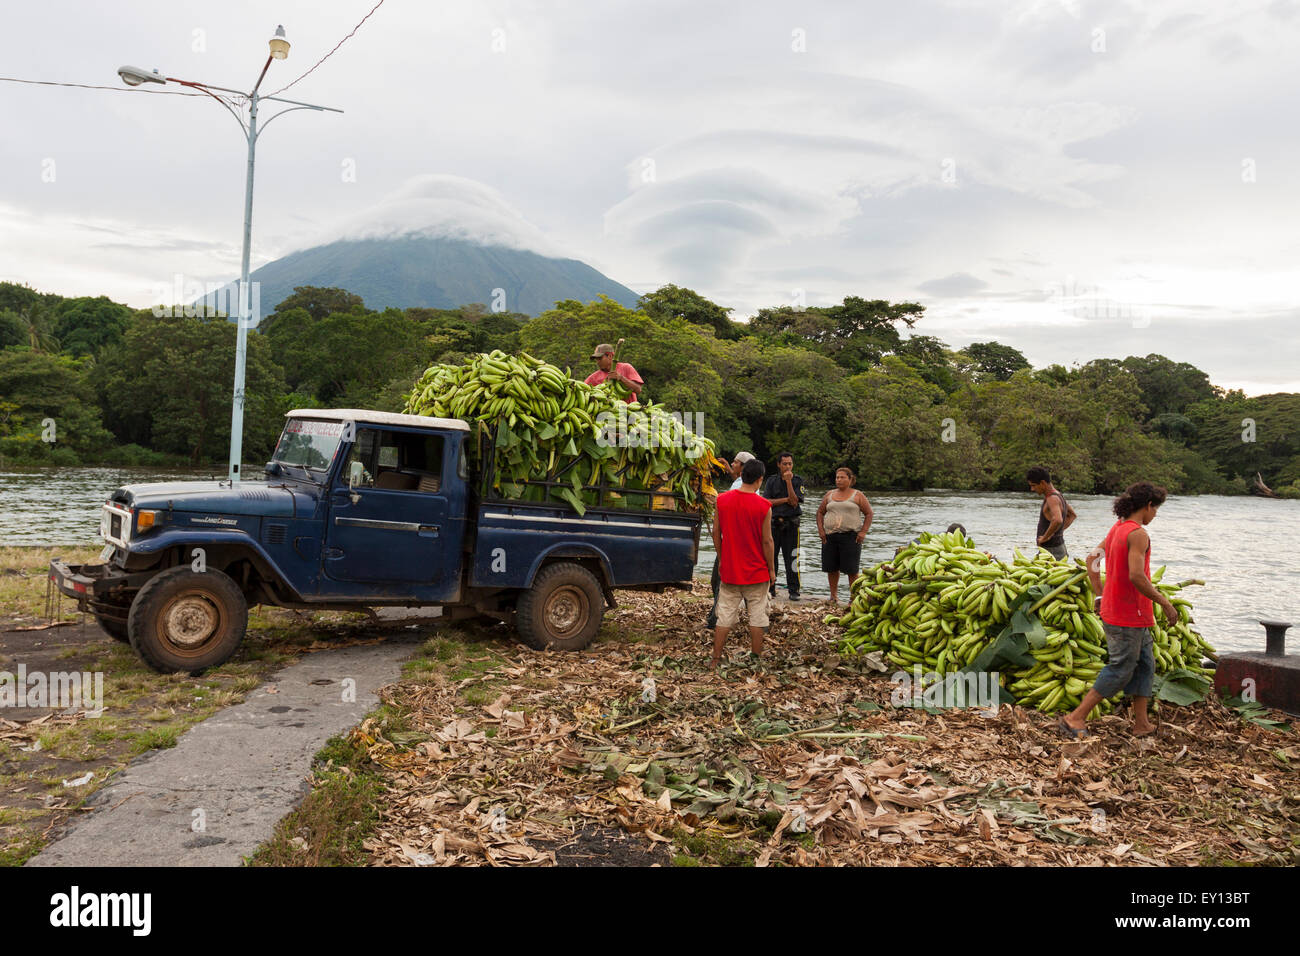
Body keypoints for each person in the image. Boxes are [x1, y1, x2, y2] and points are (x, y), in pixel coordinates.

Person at [1058, 482, 1177, 739]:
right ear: (1147, 506)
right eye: (1155, 510)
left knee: (1145, 665)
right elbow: (1137, 576)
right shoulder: (1137, 534)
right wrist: (1164, 602)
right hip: (1127, 615)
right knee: (1121, 667)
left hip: (1126, 613)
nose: (1155, 515)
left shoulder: (1117, 529)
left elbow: (1092, 560)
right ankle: (1075, 717)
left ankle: (1141, 723)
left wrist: (1099, 592)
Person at [711, 458, 776, 672]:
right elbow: (767, 541)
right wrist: (772, 569)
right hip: (757, 571)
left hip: (730, 569)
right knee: (757, 616)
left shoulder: (722, 500)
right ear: (759, 480)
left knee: (725, 615)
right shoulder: (764, 506)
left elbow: (716, 533)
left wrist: (722, 559)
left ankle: (716, 658)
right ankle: (756, 658)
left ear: (741, 476)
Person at [705, 452, 756, 630]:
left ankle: (716, 620)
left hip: (733, 541)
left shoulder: (741, 487)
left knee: (721, 580)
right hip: (736, 540)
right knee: (719, 580)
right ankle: (755, 623)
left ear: (743, 467)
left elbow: (728, 508)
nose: (733, 465)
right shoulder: (742, 483)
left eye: (735, 462)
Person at [816, 467, 873, 605]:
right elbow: (820, 512)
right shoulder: (829, 494)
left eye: (842, 477)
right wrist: (821, 530)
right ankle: (833, 596)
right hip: (830, 536)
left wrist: (863, 532)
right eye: (837, 477)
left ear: (850, 479)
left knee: (851, 569)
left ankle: (853, 598)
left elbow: (869, 513)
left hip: (851, 536)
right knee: (831, 568)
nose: (839, 480)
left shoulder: (857, 495)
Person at [761, 452, 805, 601]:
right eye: (785, 464)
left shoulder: (798, 480)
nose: (787, 467)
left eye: (790, 464)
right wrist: (785, 499)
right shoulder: (771, 481)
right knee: (771, 557)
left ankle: (794, 590)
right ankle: (771, 588)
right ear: (779, 464)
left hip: (791, 524)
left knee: (792, 557)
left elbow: (794, 502)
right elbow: (767, 502)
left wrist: (788, 483)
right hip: (774, 523)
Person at [1027, 466, 1076, 559]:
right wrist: (1056, 532)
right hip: (1058, 547)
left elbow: (1057, 520)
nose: (1032, 489)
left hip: (1052, 551)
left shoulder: (1052, 498)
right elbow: (1072, 515)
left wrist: (1045, 538)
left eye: (1033, 485)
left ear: (1042, 483)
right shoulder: (1058, 495)